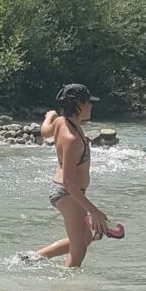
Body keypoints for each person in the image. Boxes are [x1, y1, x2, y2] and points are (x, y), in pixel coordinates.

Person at [35, 84, 110, 267]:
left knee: (85, 239)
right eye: (88, 102)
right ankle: (67, 285)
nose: (91, 106)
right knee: (78, 252)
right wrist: (94, 212)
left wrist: (49, 116)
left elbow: (45, 131)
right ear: (78, 105)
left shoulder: (60, 121)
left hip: (67, 191)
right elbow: (69, 182)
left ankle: (32, 258)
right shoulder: (72, 140)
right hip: (67, 193)